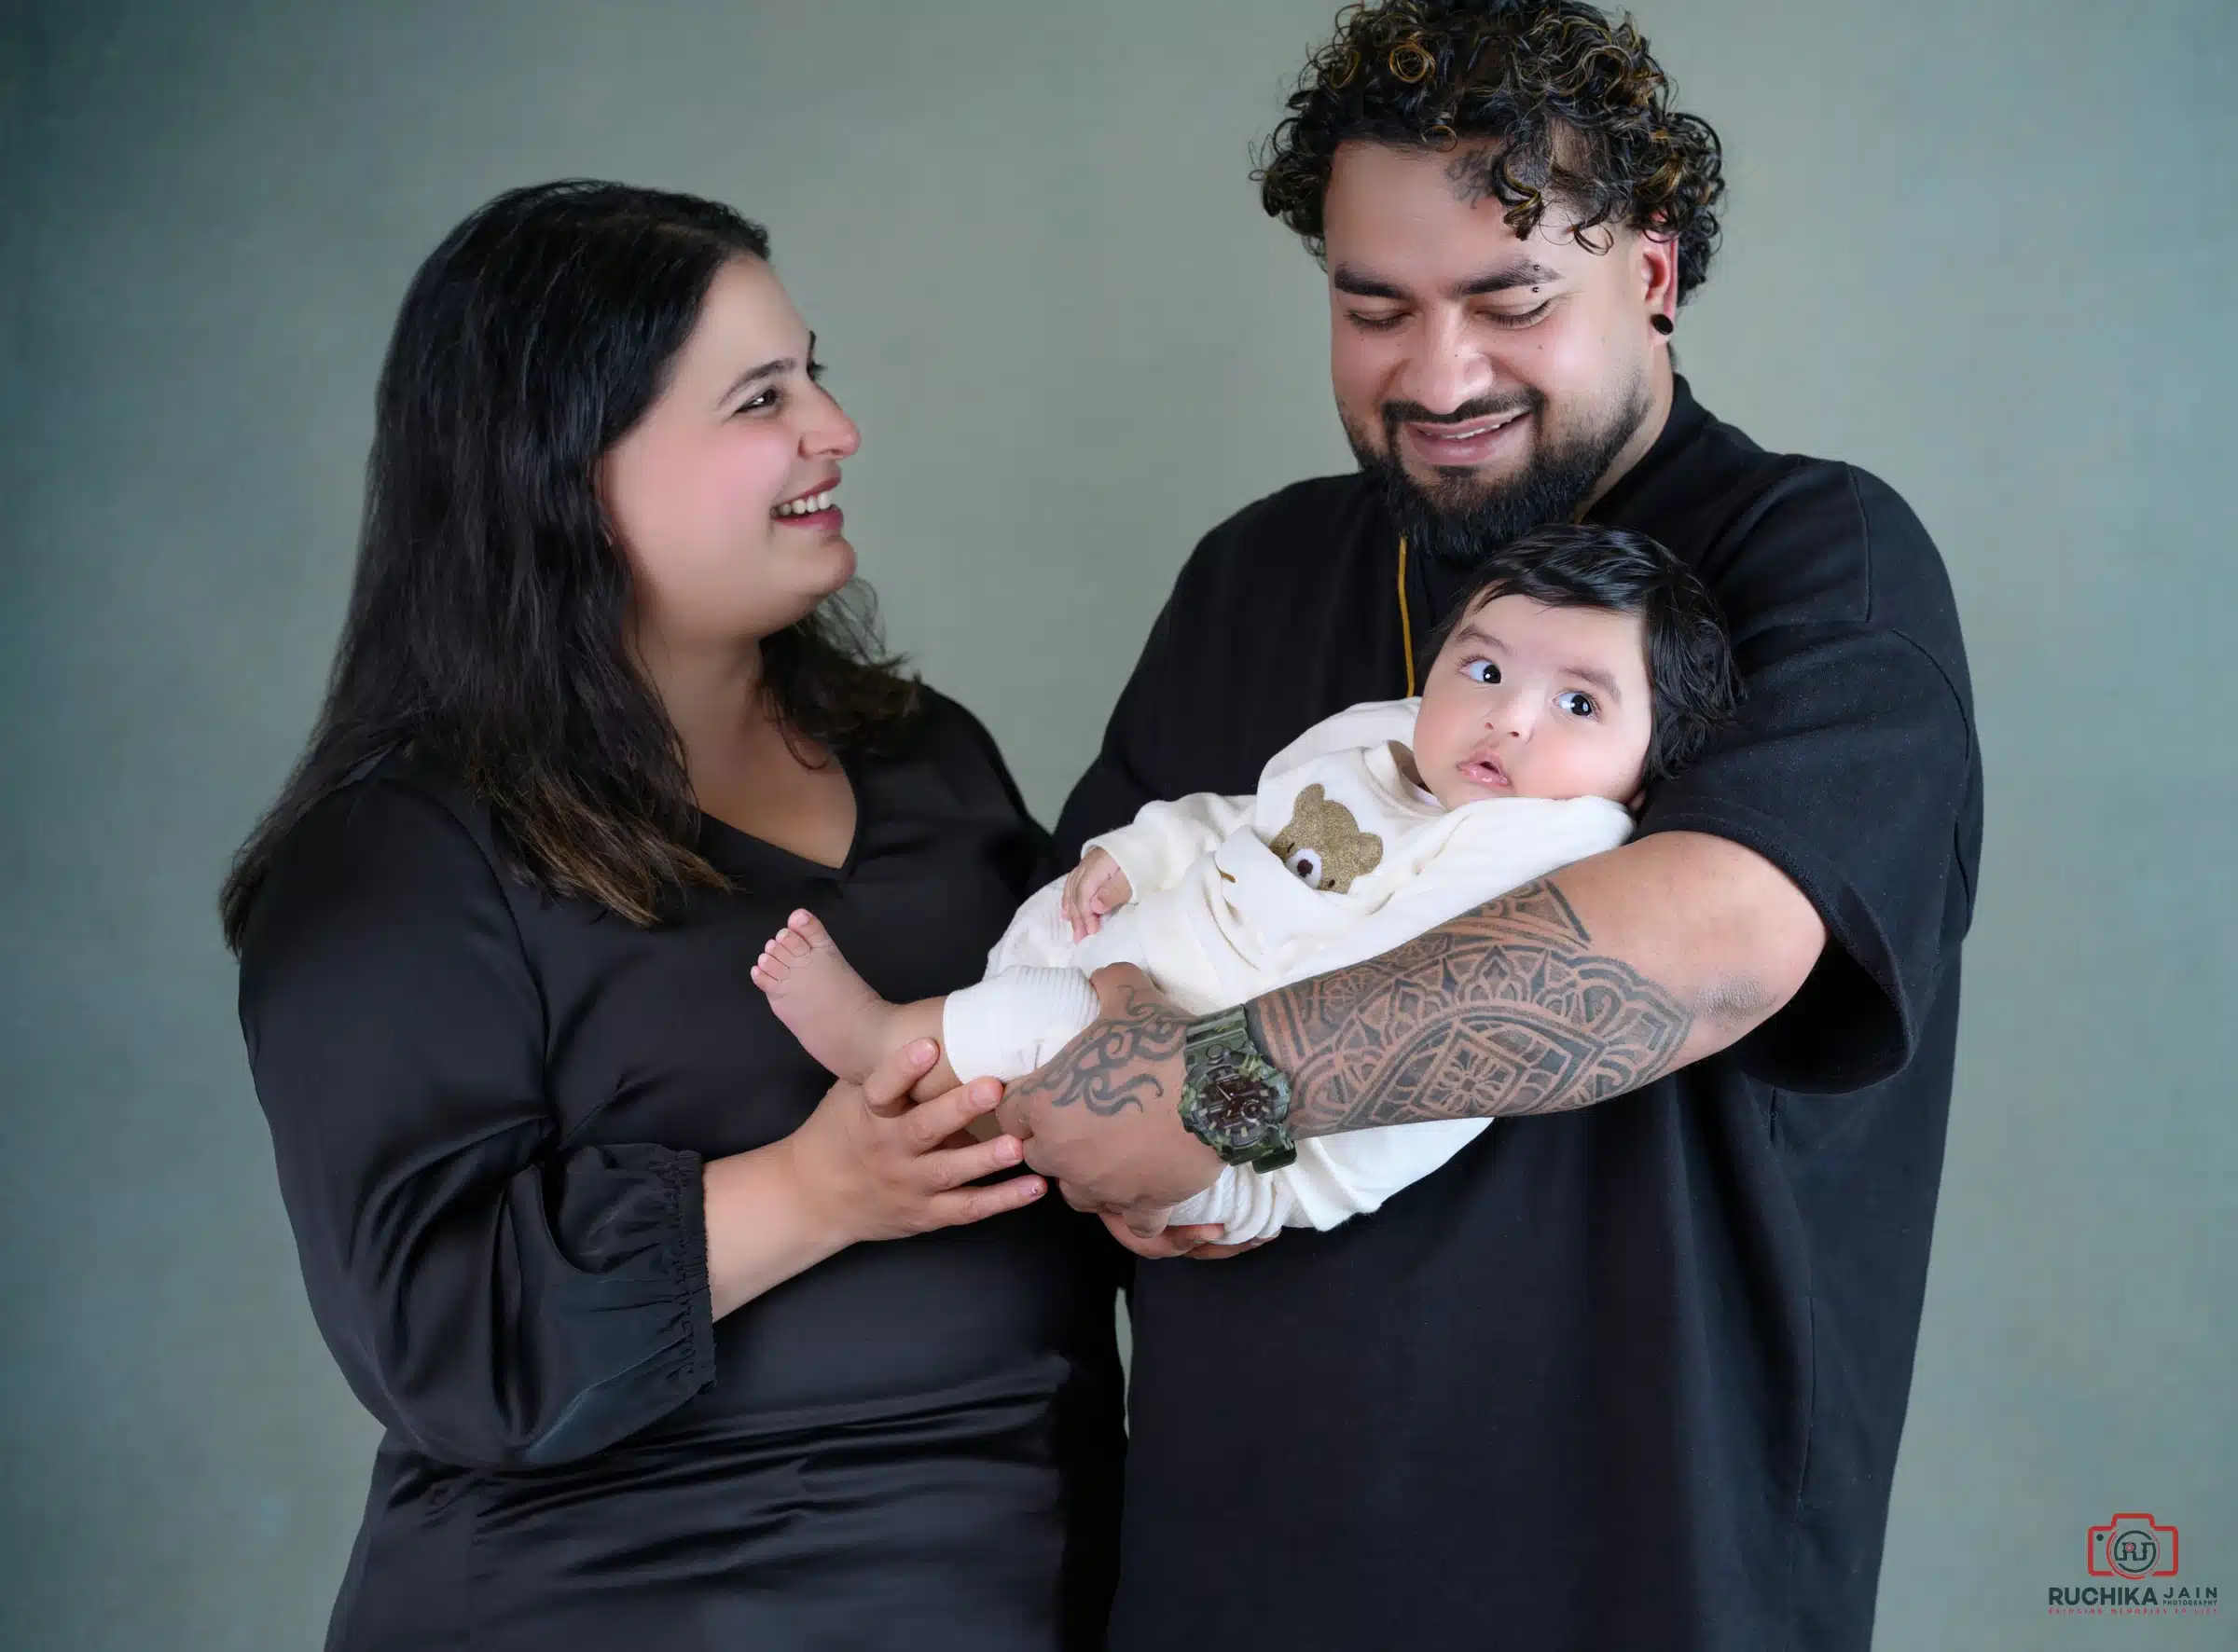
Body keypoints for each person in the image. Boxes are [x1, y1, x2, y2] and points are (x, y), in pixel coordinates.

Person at [995, 5, 1983, 1649]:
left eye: (1508, 302)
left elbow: (1713, 944)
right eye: (1373, 308)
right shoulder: (1259, 573)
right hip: (1220, 1575)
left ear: (1651, 278)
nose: (1436, 376)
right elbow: (1082, 954)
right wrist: (1080, 1086)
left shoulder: (1820, 558)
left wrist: (1215, 1088)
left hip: (1640, 1571)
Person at [222, 181, 1123, 1651]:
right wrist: (820, 1190)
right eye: (761, 397)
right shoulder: (397, 863)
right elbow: (443, 1338)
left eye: (814, 373)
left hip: (1012, 1582)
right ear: (568, 472)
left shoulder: (926, 753)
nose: (835, 429)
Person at [753, 526, 1736, 1244]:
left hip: (1253, 1134)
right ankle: (974, 1093)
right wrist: (1136, 859)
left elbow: (1389, 989)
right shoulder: (1383, 745)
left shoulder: (1547, 843)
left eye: (1577, 701)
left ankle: (885, 1038)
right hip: (1153, 993)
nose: (1510, 718)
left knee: (1058, 1012)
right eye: (1482, 670)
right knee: (1050, 928)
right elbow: (1242, 818)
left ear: (1649, 767)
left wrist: (1164, 1070)